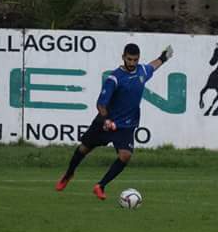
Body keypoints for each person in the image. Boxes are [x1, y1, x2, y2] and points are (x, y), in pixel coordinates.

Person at [55, 43, 174, 200]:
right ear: (123, 57)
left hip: (126, 125)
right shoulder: (114, 78)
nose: (132, 63)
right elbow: (101, 104)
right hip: (107, 121)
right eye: (129, 59)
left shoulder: (142, 71)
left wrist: (163, 57)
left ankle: (100, 186)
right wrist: (106, 119)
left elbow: (153, 66)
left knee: (125, 156)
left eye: (135, 60)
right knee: (84, 149)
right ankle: (69, 174)